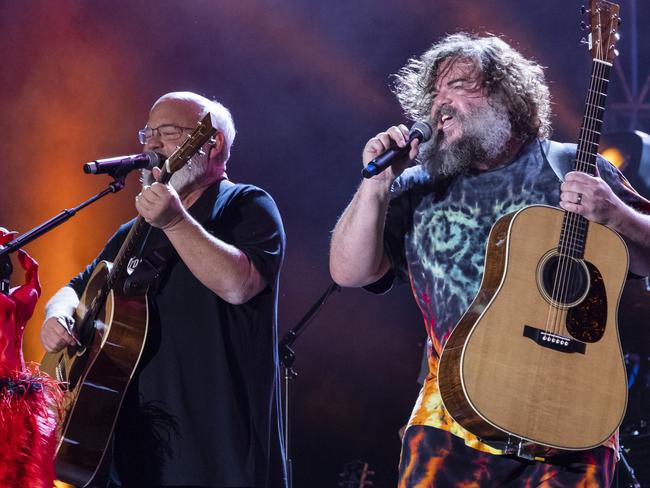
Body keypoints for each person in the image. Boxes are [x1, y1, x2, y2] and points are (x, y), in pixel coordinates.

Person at [329, 33, 650, 487]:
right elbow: (348, 272)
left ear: (506, 95)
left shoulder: (570, 167)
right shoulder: (417, 188)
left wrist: (614, 213)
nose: (440, 103)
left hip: (574, 420)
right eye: (434, 93)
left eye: (457, 86)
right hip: (451, 423)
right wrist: (376, 184)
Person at [40, 92, 287, 487]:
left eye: (168, 132)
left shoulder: (246, 204)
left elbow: (239, 285)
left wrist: (175, 222)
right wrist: (58, 315)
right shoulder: (134, 232)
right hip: (127, 451)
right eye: (147, 133)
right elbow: (75, 288)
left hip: (212, 449)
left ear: (211, 142)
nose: (151, 144)